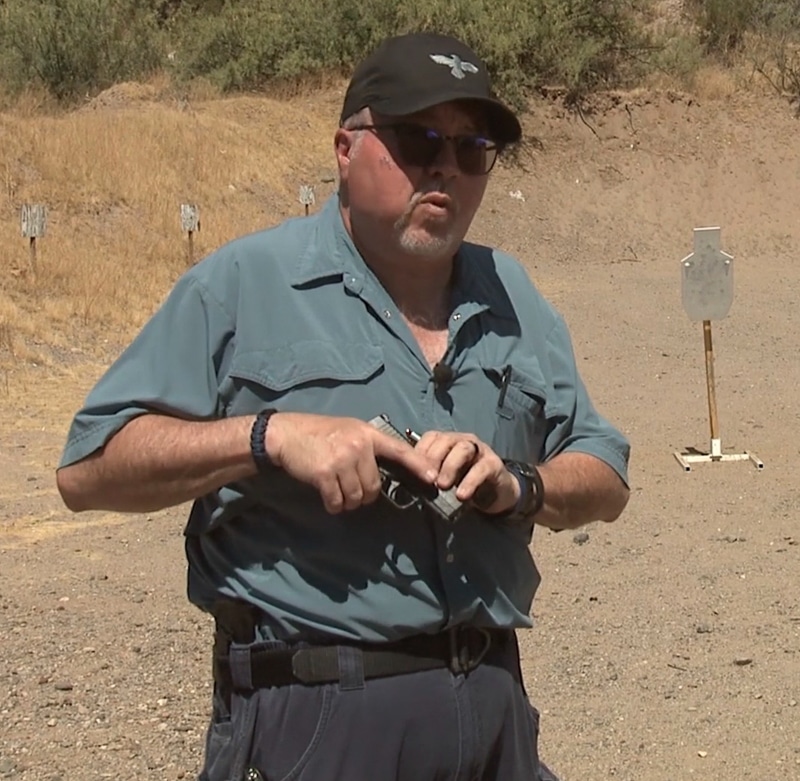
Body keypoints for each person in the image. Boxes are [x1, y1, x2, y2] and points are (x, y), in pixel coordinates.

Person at [54, 31, 630, 781]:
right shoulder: (245, 284)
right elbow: (89, 468)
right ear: (344, 149)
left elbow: (605, 471)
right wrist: (268, 436)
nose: (445, 168)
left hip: (494, 709)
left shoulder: (512, 293)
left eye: (471, 149)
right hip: (319, 717)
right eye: (419, 140)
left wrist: (516, 484)